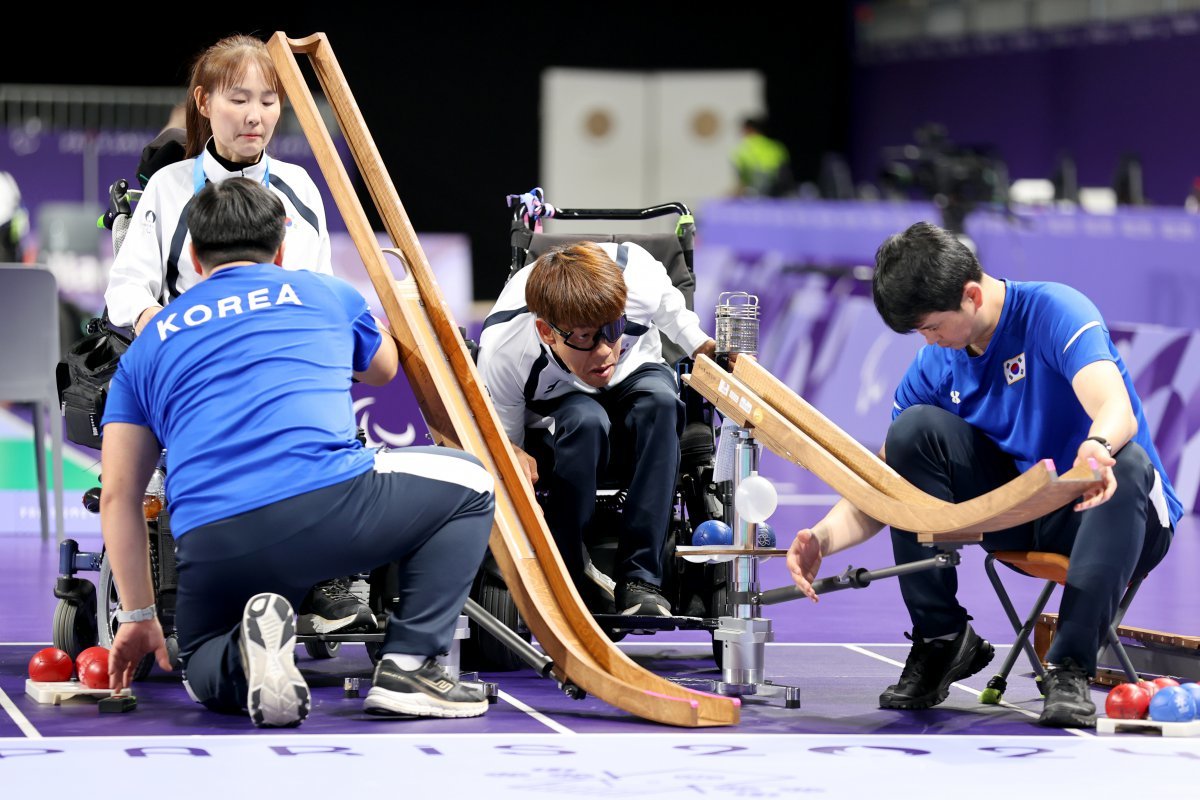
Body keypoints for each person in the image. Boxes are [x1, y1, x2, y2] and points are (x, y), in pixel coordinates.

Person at [100, 178, 495, 726]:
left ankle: (245, 654)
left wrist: (139, 615)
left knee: (198, 666)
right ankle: (411, 665)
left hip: (214, 540)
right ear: (282, 246)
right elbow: (382, 371)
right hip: (330, 511)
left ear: (192, 252)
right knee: (471, 483)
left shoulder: (147, 345)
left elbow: (118, 496)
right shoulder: (325, 293)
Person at [786, 221, 1179, 728]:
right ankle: (943, 639)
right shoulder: (936, 363)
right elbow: (884, 484)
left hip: (1112, 511)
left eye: (932, 327)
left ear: (970, 294)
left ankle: (1070, 669)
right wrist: (823, 537)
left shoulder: (1055, 311)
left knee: (1127, 463)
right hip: (1022, 511)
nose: (929, 341)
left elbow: (1115, 408)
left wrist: (1097, 451)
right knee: (910, 433)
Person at [102, 34, 370, 636]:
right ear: (203, 102)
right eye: (239, 98)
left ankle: (327, 580)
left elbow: (321, 289)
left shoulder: (300, 188)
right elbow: (127, 290)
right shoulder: (169, 188)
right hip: (198, 370)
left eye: (270, 101)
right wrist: (166, 334)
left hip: (286, 360)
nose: (256, 115)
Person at [476, 241, 716, 617]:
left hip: (636, 371)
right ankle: (567, 573)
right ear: (547, 332)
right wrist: (512, 454)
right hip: (561, 400)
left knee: (663, 403)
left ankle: (641, 580)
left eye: (614, 329)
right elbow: (510, 443)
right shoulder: (506, 351)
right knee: (586, 421)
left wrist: (703, 346)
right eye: (587, 337)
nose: (605, 351)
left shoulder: (638, 275)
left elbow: (673, 312)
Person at [731, 116, 794, 198]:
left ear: (748, 129)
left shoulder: (741, 151)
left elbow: (742, 182)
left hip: (756, 197)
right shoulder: (777, 147)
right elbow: (786, 176)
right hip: (777, 197)